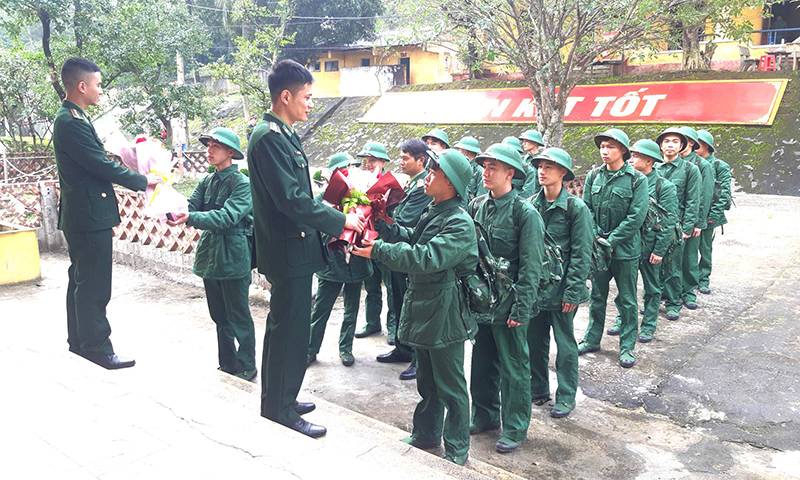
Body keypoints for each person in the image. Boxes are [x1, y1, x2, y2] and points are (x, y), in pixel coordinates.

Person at [247, 59, 365, 438]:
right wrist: (339, 221)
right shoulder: (268, 137)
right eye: (307, 97)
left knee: (289, 328)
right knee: (288, 330)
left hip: (294, 248)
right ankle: (279, 407)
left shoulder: (282, 132)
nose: (311, 104)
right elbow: (292, 201)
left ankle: (282, 396)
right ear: (285, 96)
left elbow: (298, 196)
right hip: (287, 251)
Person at [352, 149, 479, 466]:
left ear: (450, 184)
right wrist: (385, 224)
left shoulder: (459, 223)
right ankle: (426, 433)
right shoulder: (436, 211)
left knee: (450, 385)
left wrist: (377, 249)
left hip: (446, 310)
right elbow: (413, 240)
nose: (428, 176)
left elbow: (426, 258)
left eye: (435, 173)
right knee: (427, 380)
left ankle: (457, 447)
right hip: (424, 304)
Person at [53, 57, 163, 369]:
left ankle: (79, 340)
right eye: (98, 85)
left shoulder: (73, 117)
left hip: (83, 213)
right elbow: (99, 165)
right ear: (82, 86)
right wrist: (143, 180)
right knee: (94, 282)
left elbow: (94, 161)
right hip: (88, 215)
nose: (101, 91)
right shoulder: (71, 122)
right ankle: (97, 347)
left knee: (81, 278)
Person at [468, 143, 544, 453]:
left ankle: (515, 426)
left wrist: (521, 309)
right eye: (484, 167)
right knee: (482, 363)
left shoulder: (524, 212)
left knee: (514, 368)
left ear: (510, 173)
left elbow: (532, 266)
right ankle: (484, 416)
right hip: (482, 302)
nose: (485, 172)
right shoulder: (476, 206)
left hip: (510, 303)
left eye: (493, 168)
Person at [167, 127, 257, 381]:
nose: (209, 150)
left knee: (238, 314)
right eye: (208, 145)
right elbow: (190, 205)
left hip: (233, 252)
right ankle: (228, 362)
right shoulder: (207, 181)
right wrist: (167, 202)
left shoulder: (241, 183)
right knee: (219, 315)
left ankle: (247, 364)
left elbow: (228, 216)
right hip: (211, 254)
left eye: (215, 146)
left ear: (231, 152)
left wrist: (191, 217)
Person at [528, 147, 593, 418]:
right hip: (537, 290)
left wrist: (573, 290)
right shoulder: (531, 205)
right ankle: (538, 388)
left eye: (549, 167)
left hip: (563, 289)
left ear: (563, 173)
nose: (542, 171)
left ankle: (566, 395)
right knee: (535, 341)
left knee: (565, 346)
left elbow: (581, 253)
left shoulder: (575, 208)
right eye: (540, 166)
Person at [578, 129, 648, 368]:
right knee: (597, 296)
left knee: (627, 299)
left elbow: (636, 216)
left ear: (623, 151)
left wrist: (612, 239)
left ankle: (627, 347)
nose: (605, 151)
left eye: (611, 147)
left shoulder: (637, 180)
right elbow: (585, 208)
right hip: (599, 249)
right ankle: (592, 338)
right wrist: (597, 237)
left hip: (625, 250)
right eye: (602, 147)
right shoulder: (593, 176)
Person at [606, 140, 678, 344]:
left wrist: (660, 250)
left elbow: (668, 220)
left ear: (649, 160)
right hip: (628, 245)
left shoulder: (664, 186)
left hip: (650, 247)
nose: (632, 158)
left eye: (637, 155)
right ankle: (623, 319)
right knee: (625, 287)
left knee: (652, 288)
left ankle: (648, 325)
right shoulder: (627, 180)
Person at [307, 153, 372, 367]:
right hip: (331, 264)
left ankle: (346, 348)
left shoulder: (361, 198)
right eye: (341, 170)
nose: (346, 174)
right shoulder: (319, 201)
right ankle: (310, 349)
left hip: (356, 263)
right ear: (330, 175)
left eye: (349, 170)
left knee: (351, 309)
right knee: (321, 310)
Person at [376, 139, 433, 381]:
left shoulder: (423, 188)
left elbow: (407, 220)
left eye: (405, 158)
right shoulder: (411, 184)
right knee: (397, 300)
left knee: (412, 308)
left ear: (421, 160)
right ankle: (402, 348)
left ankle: (416, 358)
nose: (401, 162)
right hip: (398, 250)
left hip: (410, 251)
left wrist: (382, 215)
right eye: (400, 157)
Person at [353, 142, 397, 344]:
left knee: (391, 285)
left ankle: (393, 327)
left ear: (383, 161)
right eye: (366, 160)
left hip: (386, 242)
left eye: (373, 160)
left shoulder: (391, 184)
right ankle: (372, 322)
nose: (368, 164)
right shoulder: (361, 182)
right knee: (371, 283)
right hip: (367, 240)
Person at [655, 128, 701, 321]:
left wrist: (687, 227)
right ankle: (653, 300)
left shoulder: (690, 169)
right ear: (660, 145)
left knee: (674, 265)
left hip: (677, 224)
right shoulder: (655, 168)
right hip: (654, 224)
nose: (670, 145)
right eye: (666, 141)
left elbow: (693, 200)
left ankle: (673, 303)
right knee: (652, 266)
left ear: (682, 146)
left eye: (675, 141)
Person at [678, 126, 714, 311]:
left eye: (681, 139)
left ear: (691, 143)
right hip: (671, 221)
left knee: (690, 257)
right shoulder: (668, 163)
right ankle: (669, 292)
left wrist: (698, 223)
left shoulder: (702, 165)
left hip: (692, 219)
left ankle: (689, 292)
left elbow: (704, 196)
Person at [696, 130, 731, 294]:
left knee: (705, 248)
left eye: (697, 143)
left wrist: (713, 215)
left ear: (707, 146)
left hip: (709, 214)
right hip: (691, 214)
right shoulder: (689, 163)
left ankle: (703, 279)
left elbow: (723, 193)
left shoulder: (719, 166)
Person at [453, 136, 487, 202]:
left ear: (465, 153)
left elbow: (481, 198)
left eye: (459, 151)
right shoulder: (460, 167)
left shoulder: (480, 171)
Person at [519, 129, 545, 197]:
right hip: (522, 197)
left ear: (535, 142)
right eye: (523, 141)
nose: (523, 144)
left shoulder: (543, 160)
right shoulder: (522, 160)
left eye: (526, 141)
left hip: (538, 198)